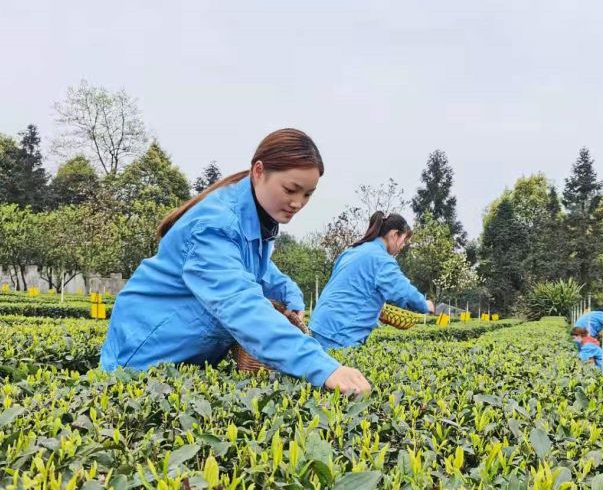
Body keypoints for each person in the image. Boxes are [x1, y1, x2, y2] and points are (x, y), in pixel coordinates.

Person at [100, 128, 370, 394]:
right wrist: (322, 367)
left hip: (179, 360)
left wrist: (288, 292)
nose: (297, 203)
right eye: (291, 189)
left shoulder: (254, 217)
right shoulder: (215, 224)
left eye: (307, 194)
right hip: (142, 356)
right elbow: (240, 303)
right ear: (259, 171)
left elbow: (255, 266)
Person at [309, 212, 435, 349]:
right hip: (341, 332)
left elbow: (353, 289)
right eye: (404, 240)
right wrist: (425, 304)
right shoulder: (381, 259)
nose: (403, 245)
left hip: (320, 324)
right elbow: (403, 291)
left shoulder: (353, 250)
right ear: (394, 235)